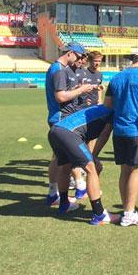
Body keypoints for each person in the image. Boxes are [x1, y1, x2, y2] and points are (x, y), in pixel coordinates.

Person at [104, 54, 138, 227]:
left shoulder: (116, 77)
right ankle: (128, 213)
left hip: (119, 130)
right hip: (137, 130)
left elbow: (108, 104)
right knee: (136, 170)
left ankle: (128, 209)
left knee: (124, 170)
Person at [47, 104, 120, 225]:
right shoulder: (113, 110)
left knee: (65, 168)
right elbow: (105, 134)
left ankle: (64, 204)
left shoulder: (101, 108)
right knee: (91, 169)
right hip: (68, 133)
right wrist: (94, 156)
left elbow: (83, 133)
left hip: (55, 131)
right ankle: (99, 214)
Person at [44, 43, 96, 206]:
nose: (81, 60)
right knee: (66, 158)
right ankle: (77, 189)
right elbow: (60, 97)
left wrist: (79, 89)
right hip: (61, 118)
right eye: (80, 57)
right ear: (71, 53)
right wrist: (81, 90)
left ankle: (54, 193)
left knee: (58, 158)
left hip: (58, 117)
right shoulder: (59, 70)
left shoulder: (56, 68)